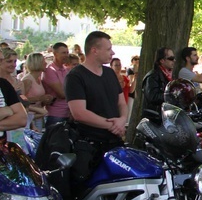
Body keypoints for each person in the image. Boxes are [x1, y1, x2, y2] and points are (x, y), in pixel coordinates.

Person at [66, 31, 128, 177]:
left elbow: (121, 103)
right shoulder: (76, 76)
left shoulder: (110, 73)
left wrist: (122, 120)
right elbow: (79, 113)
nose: (112, 53)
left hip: (114, 142)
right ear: (94, 50)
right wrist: (112, 125)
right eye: (108, 49)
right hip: (89, 145)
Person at [21, 53, 52, 131]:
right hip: (31, 116)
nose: (45, 63)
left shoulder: (38, 79)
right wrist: (40, 98)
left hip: (39, 114)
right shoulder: (27, 80)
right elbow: (21, 99)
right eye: (43, 61)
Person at [141, 47, 175, 118]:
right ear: (162, 60)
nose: (174, 60)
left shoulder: (168, 75)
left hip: (164, 115)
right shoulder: (153, 76)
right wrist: (172, 96)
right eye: (171, 58)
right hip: (154, 117)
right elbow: (153, 97)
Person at [43, 42, 70, 126]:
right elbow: (62, 93)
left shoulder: (66, 70)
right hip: (56, 114)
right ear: (55, 54)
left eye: (67, 52)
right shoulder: (50, 71)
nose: (66, 55)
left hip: (68, 113)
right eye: (63, 53)